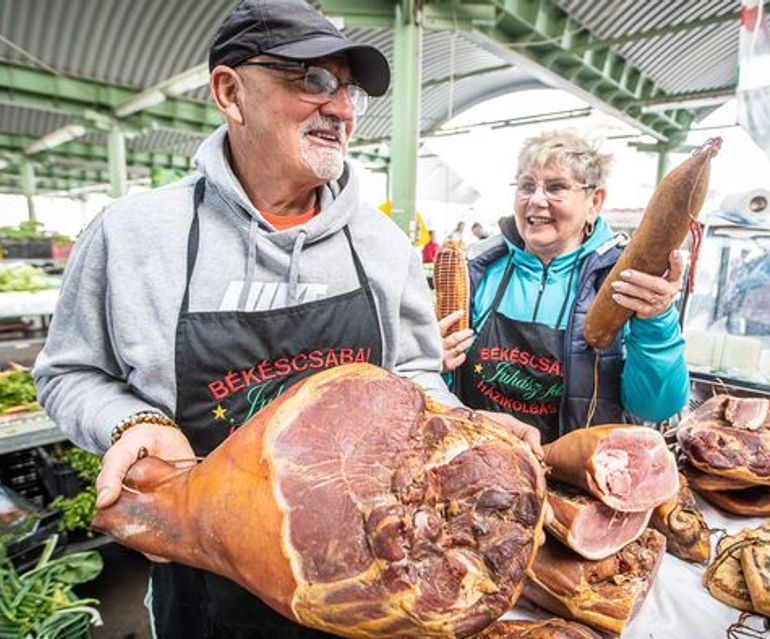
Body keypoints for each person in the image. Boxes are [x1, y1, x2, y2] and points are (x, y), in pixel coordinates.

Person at [33, 2, 543, 637]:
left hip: (369, 579)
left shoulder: (382, 244)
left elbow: (414, 374)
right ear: (230, 92)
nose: (342, 108)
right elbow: (69, 373)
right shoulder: (133, 235)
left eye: (349, 90)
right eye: (314, 80)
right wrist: (134, 421)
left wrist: (463, 430)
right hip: (204, 578)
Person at [439, 130, 690, 443]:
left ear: (594, 202)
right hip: (479, 457)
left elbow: (655, 406)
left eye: (556, 187)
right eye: (526, 186)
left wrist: (657, 323)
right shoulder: (479, 271)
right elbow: (438, 387)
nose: (536, 199)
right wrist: (437, 362)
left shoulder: (623, 282)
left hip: (577, 471)